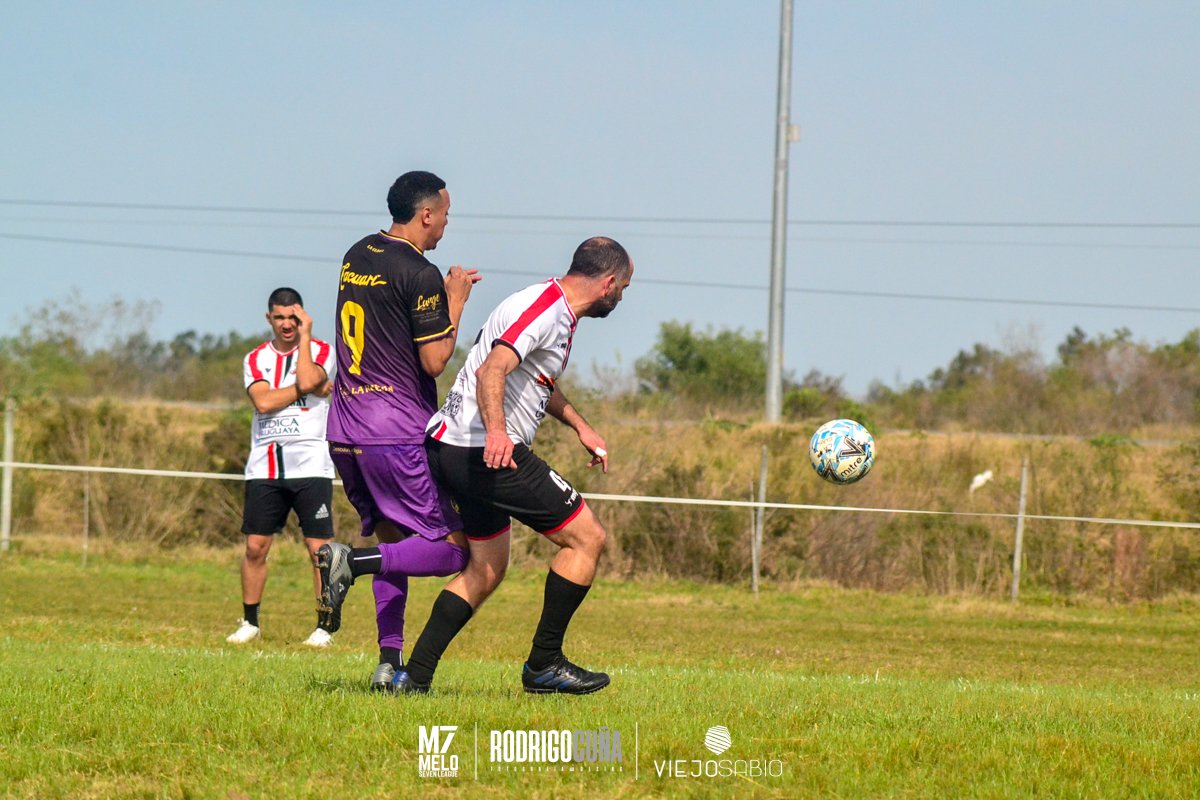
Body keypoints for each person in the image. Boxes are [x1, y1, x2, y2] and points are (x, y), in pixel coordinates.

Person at [321, 236, 633, 695]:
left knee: (485, 568)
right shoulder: (546, 309)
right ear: (607, 282)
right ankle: (544, 663)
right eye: (623, 287)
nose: (622, 297)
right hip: (481, 450)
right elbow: (492, 370)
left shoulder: (552, 309)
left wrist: (580, 426)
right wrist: (497, 433)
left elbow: (536, 381)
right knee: (588, 538)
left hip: (454, 446)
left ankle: (414, 677)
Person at [316, 170, 481, 691]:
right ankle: (350, 561)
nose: (446, 226)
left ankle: (388, 663)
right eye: (445, 216)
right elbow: (434, 360)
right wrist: (455, 298)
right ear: (426, 214)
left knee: (395, 543)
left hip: (345, 428)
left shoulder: (356, 254)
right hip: (395, 432)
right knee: (454, 550)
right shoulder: (421, 271)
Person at [227, 288, 336, 647]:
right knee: (255, 548)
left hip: (312, 467)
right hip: (265, 469)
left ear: (303, 318)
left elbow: (309, 377)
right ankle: (250, 622)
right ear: (269, 318)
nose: (287, 324)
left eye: (294, 318)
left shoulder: (322, 351)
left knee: (320, 552)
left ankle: (324, 626)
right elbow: (262, 401)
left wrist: (306, 341)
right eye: (280, 317)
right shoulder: (255, 358)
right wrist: (307, 387)